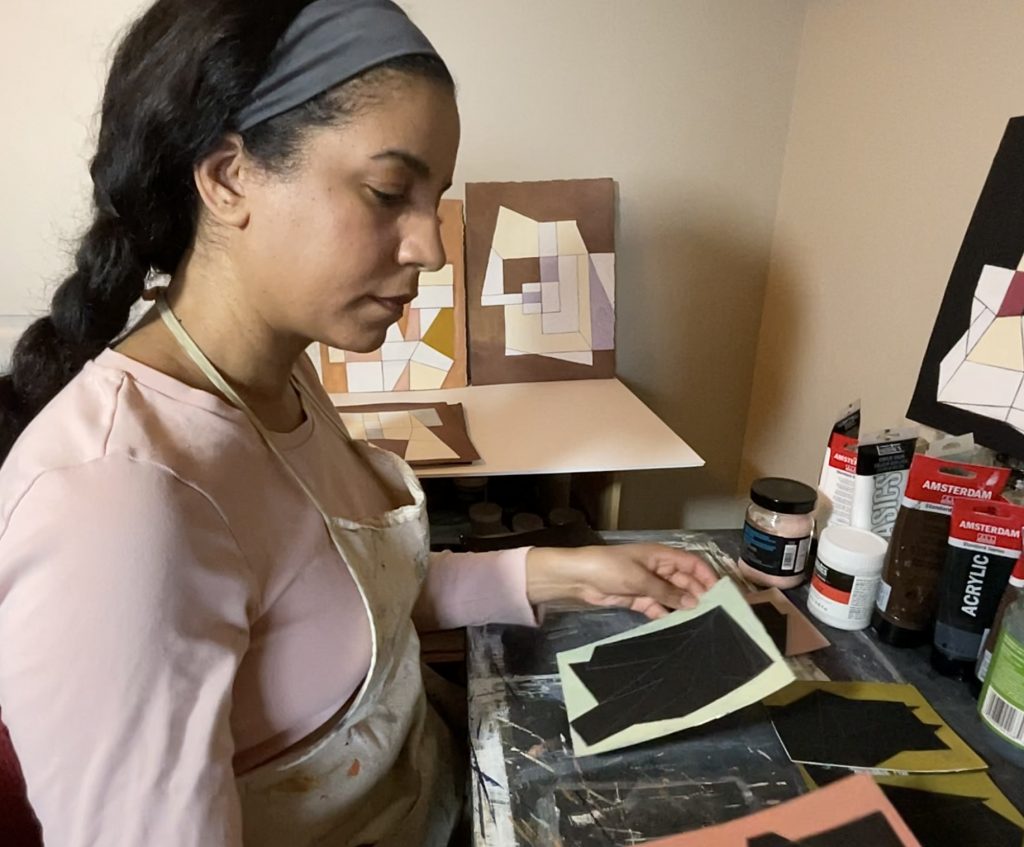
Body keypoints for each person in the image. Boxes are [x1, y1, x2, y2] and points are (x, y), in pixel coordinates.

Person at [0, 1, 718, 844]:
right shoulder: (117, 499)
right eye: (388, 193)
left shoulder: (282, 377)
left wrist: (553, 572)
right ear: (228, 176)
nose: (432, 248)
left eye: (435, 199)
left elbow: (338, 607)